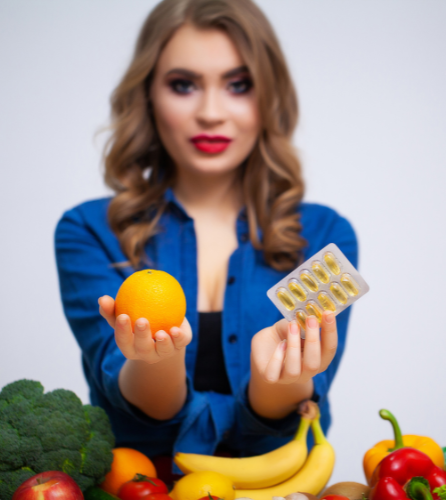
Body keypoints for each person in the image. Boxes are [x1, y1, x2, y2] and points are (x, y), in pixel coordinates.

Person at [55, 0, 357, 472]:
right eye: (183, 85)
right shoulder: (90, 231)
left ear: (269, 96)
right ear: (148, 96)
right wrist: (156, 359)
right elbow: (141, 410)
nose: (211, 112)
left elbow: (294, 417)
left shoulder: (323, 236)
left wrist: (275, 380)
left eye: (239, 85)